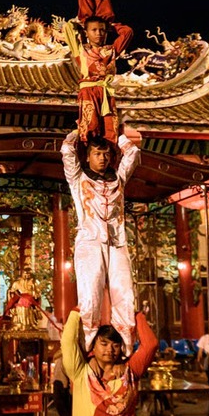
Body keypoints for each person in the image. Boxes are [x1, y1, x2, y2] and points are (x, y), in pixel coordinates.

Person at [61, 129, 140, 351]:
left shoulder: (119, 178)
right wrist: (81, 130)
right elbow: (67, 150)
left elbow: (133, 153)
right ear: (87, 157)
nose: (102, 158)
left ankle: (125, 346)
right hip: (90, 241)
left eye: (106, 154)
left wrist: (116, 134)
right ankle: (87, 346)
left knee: (125, 293)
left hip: (117, 242)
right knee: (90, 295)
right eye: (97, 154)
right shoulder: (78, 178)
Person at [60, 305, 157, 416]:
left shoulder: (130, 371)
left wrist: (134, 314)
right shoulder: (80, 372)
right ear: (94, 345)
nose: (110, 349)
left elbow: (151, 345)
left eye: (115, 345)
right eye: (104, 343)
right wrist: (77, 311)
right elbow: (68, 342)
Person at [63, 16, 133, 149]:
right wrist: (79, 23)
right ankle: (87, 156)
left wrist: (111, 25)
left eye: (102, 30)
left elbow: (127, 32)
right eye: (94, 30)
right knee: (89, 127)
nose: (98, 33)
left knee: (110, 129)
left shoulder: (111, 50)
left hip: (106, 93)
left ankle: (109, 157)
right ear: (86, 32)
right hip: (88, 93)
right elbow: (68, 28)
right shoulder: (81, 50)